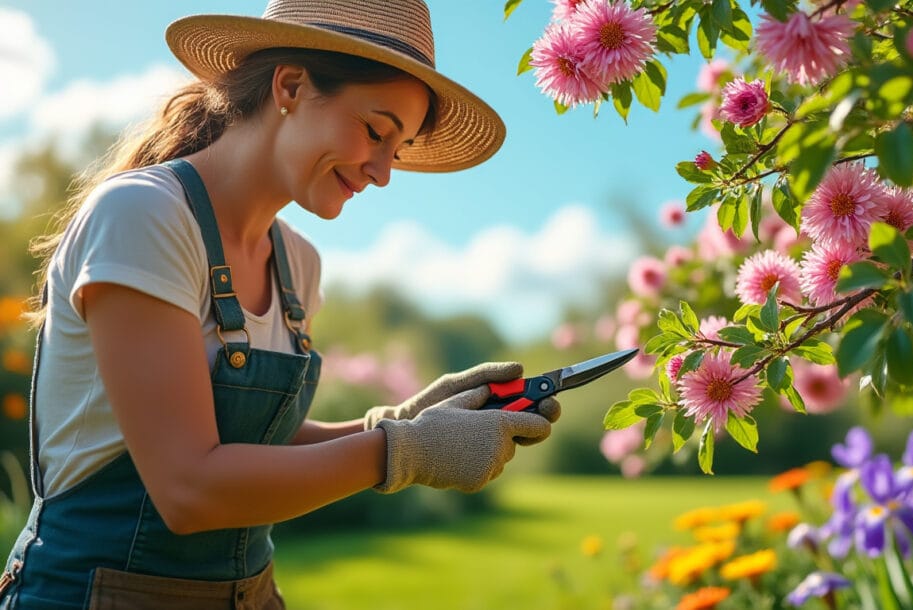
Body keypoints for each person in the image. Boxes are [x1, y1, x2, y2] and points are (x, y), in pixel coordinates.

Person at [0, 1, 561, 608]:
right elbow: (188, 488)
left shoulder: (299, 265)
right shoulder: (144, 216)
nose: (382, 173)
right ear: (290, 86)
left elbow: (257, 444)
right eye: (376, 131)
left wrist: (396, 422)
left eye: (395, 151)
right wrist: (404, 451)